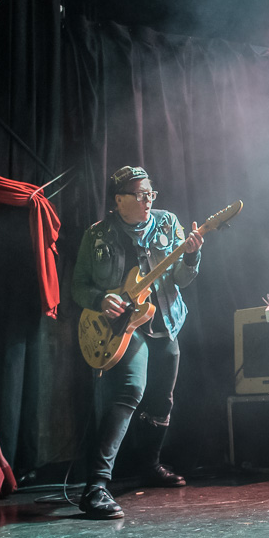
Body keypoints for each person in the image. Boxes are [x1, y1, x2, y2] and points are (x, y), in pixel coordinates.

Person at [71, 165, 204, 519]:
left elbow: (181, 278)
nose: (148, 200)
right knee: (131, 389)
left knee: (162, 399)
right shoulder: (97, 235)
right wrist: (100, 300)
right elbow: (78, 286)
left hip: (164, 319)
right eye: (140, 195)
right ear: (119, 200)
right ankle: (96, 486)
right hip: (124, 328)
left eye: (151, 194)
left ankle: (149, 465)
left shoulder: (167, 222)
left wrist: (190, 254)